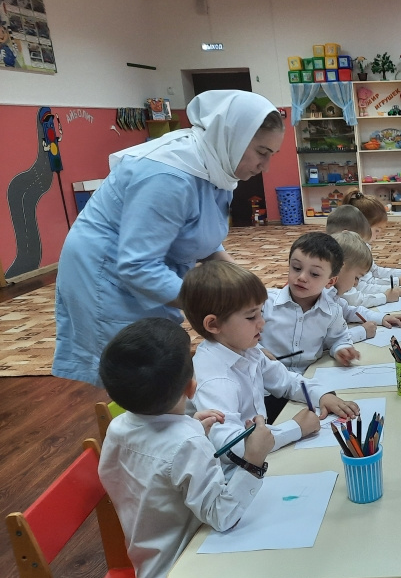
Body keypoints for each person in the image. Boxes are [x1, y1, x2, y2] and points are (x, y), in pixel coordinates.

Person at [53, 90, 284, 386]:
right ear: (233, 137)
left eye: (272, 155)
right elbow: (138, 266)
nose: (266, 166)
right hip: (108, 276)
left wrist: (245, 286)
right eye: (262, 152)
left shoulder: (217, 168)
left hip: (148, 268)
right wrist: (217, 306)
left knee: (162, 367)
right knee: (137, 377)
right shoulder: (169, 176)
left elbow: (202, 236)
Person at [97, 317, 274, 578]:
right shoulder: (186, 444)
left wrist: (190, 429)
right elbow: (223, 516)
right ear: (192, 388)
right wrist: (254, 460)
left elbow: (154, 463)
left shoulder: (118, 427)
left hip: (153, 575)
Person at [182, 261, 359, 469]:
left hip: (258, 459)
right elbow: (231, 448)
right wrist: (295, 428)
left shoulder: (246, 349)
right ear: (213, 324)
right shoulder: (216, 379)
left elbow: (285, 381)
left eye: (261, 312)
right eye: (251, 316)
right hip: (230, 475)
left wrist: (320, 395)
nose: (262, 322)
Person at [259, 232, 360, 375]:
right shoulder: (263, 302)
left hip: (307, 377)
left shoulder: (332, 311)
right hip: (265, 378)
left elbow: (339, 338)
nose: (302, 277)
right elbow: (237, 337)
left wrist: (341, 349)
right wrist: (256, 350)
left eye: (314, 274)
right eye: (296, 268)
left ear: (330, 281)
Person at [341, 190, 401, 291]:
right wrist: (397, 282)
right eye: (377, 230)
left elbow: (375, 271)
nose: (379, 235)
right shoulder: (351, 252)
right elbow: (364, 286)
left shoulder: (364, 245)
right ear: (361, 226)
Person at [330, 231, 401, 343]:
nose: (356, 284)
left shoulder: (332, 294)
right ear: (341, 268)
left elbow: (349, 311)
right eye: (356, 277)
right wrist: (362, 332)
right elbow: (324, 341)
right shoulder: (317, 297)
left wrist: (382, 318)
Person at [325, 204, 401, 308]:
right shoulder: (328, 281)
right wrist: (385, 295)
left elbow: (348, 308)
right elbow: (355, 298)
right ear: (346, 235)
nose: (356, 283)